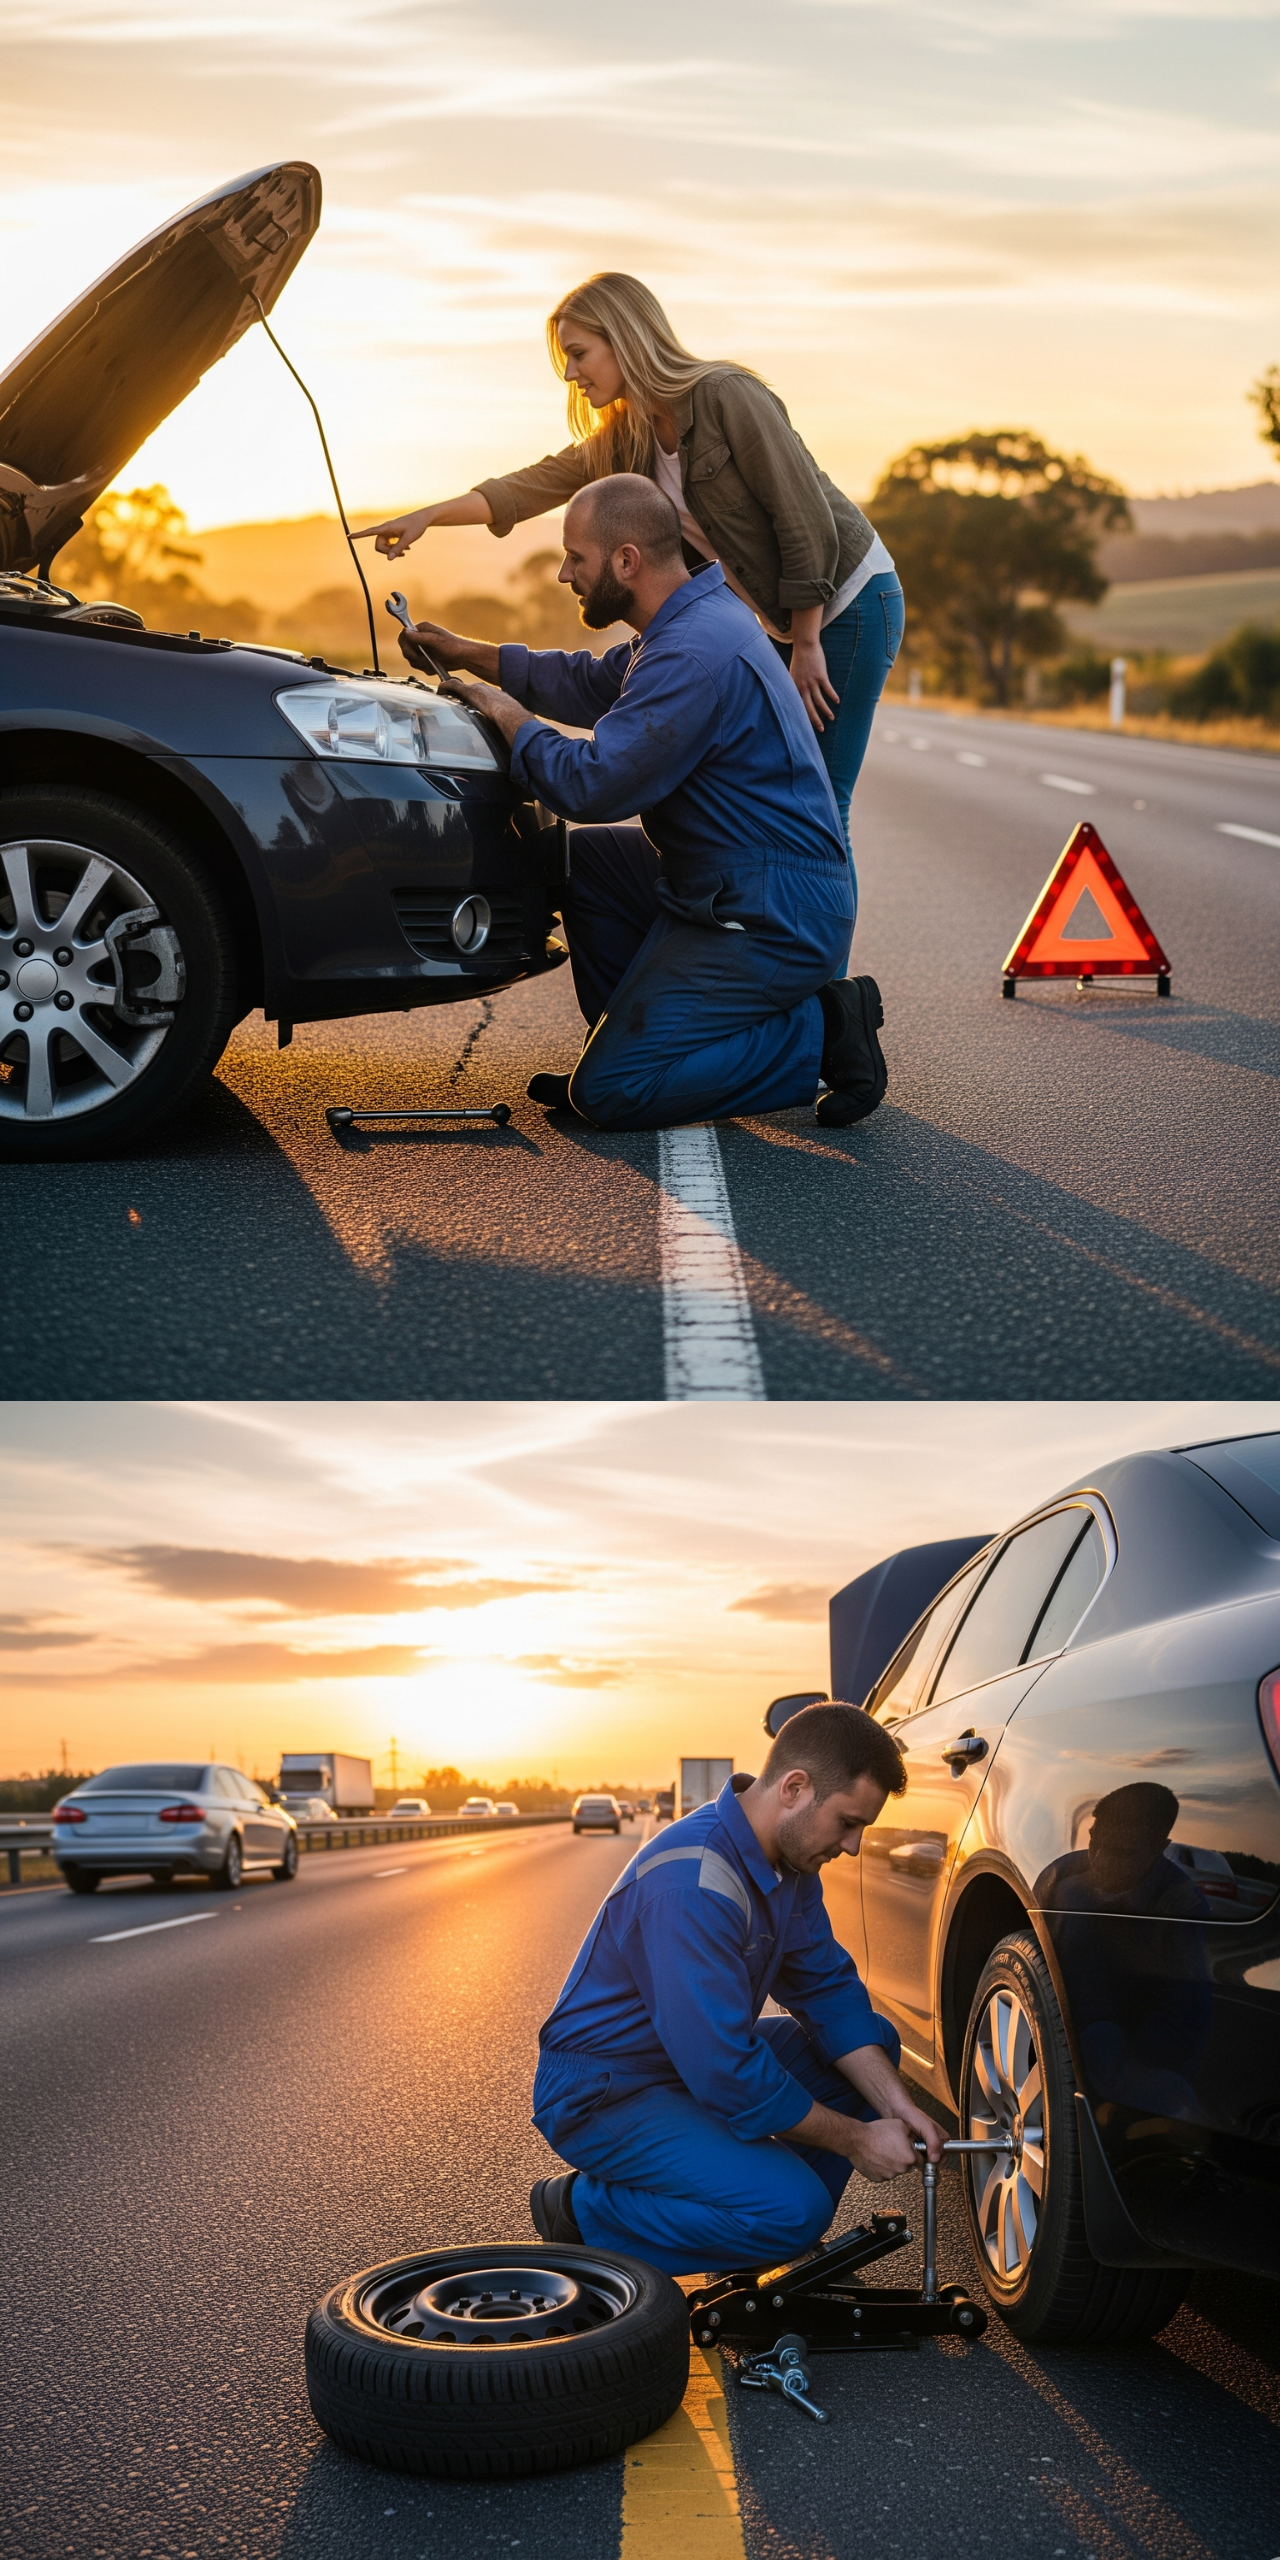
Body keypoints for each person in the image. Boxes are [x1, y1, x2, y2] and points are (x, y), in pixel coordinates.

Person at [355, 270, 903, 865]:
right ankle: (753, 915)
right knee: (771, 791)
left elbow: (803, 520)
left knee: (819, 797)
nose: (570, 373)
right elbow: (533, 484)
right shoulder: (627, 436)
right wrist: (430, 516)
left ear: (625, 338)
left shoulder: (726, 395)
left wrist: (807, 640)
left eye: (579, 353)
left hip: (843, 600)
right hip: (779, 620)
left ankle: (811, 950)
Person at [405, 472, 887, 1131]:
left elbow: (592, 785)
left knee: (612, 1094)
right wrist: (468, 656)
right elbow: (584, 681)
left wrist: (507, 714)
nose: (564, 575)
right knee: (582, 862)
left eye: (576, 558)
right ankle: (623, 1041)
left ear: (626, 560)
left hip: (774, 909)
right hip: (725, 876)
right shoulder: (687, 625)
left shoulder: (693, 652)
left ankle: (824, 1028)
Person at [528, 1704, 944, 2276]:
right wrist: (854, 2140)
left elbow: (826, 1989)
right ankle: (583, 2211)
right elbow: (725, 2070)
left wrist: (896, 2106)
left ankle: (750, 2221)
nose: (851, 1846)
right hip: (608, 2090)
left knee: (871, 2039)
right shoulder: (691, 1883)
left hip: (684, 2070)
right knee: (793, 2214)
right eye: (848, 1822)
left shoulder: (787, 1866)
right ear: (795, 1788)